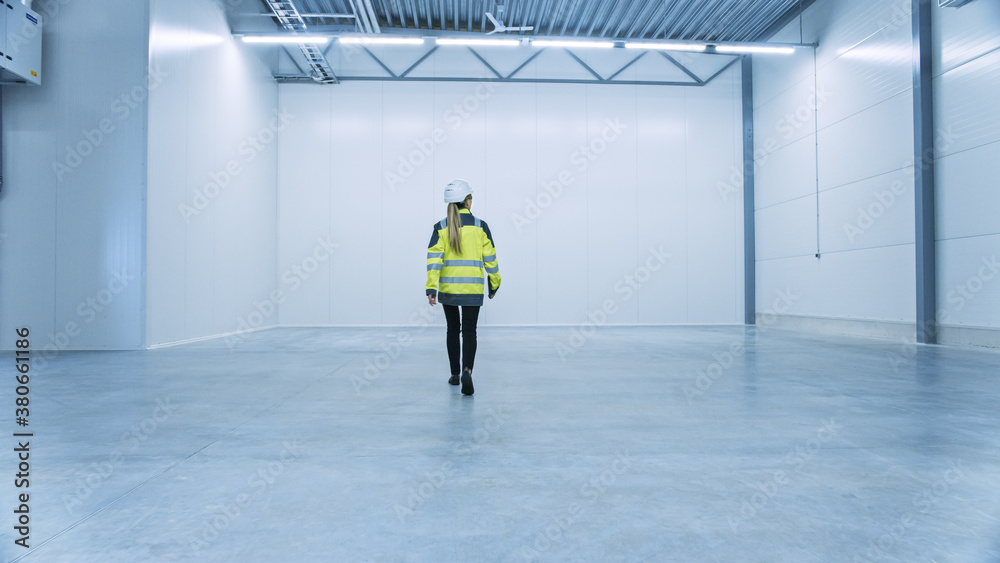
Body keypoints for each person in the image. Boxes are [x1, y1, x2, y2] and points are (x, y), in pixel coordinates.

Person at [425, 179, 501, 396]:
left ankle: (455, 374)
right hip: (473, 290)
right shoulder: (480, 226)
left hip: (449, 291)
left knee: (452, 329)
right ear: (468, 201)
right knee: (469, 331)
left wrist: (431, 288)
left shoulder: (440, 227)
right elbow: (491, 261)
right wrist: (494, 285)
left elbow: (433, 261)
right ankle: (468, 370)